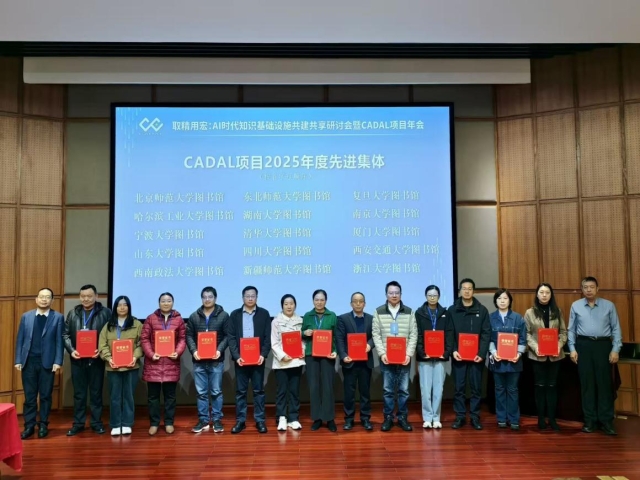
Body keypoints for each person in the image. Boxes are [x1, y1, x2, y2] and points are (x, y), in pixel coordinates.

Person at [568, 276, 622, 436]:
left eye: (592, 287)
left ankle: (606, 421)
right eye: (585, 287)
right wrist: (572, 348)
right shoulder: (576, 306)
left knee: (604, 385)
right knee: (587, 385)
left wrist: (615, 349)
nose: (589, 290)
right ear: (582, 289)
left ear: (597, 289)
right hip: (583, 346)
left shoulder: (609, 306)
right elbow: (571, 329)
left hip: (603, 346)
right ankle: (589, 421)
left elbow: (616, 329)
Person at [14, 288, 64, 439]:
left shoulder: (58, 317)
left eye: (47, 297)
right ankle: (29, 426)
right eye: (41, 297)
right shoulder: (26, 316)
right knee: (29, 397)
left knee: (45, 396)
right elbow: (20, 339)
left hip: (47, 362)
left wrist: (58, 361)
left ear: (52, 300)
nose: (44, 299)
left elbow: (59, 341)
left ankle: (43, 425)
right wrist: (18, 359)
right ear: (36, 299)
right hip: (28, 361)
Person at [63, 284, 111, 436]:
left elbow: (111, 334)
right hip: (78, 361)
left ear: (96, 296)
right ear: (79, 297)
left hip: (96, 360)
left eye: (89, 296)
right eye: (83, 296)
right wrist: (72, 350)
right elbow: (65, 335)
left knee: (96, 394)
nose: (86, 299)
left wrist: (101, 350)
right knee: (79, 394)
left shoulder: (106, 313)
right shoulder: (73, 313)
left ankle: (96, 423)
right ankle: (78, 423)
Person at [372, 280, 418, 432]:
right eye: (391, 293)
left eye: (396, 292)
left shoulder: (409, 311)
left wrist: (409, 354)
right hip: (386, 358)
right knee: (388, 390)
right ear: (386, 294)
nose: (394, 295)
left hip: (404, 358)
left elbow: (413, 334)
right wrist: (382, 353)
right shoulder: (379, 311)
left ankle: (403, 417)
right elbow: (376, 334)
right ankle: (388, 418)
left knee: (404, 390)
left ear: (401, 294)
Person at [227, 286, 271, 434]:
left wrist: (263, 354)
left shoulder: (264, 314)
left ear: (257, 297)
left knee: (259, 391)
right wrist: (236, 356)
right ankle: (241, 421)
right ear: (243, 298)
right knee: (240, 392)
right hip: (241, 360)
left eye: (253, 296)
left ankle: (260, 420)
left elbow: (267, 337)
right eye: (247, 296)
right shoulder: (235, 315)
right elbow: (231, 337)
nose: (250, 298)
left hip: (258, 360)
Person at [141, 292, 186, 435]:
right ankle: (154, 423)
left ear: (173, 302)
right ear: (159, 303)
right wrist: (150, 354)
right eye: (163, 301)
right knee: (153, 397)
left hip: (171, 364)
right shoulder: (150, 318)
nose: (166, 303)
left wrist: (177, 352)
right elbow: (144, 339)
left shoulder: (179, 320)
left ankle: (169, 422)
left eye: (168, 301)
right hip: (153, 364)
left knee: (170, 397)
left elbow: (182, 339)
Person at [448, 278, 491, 430]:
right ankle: (460, 416)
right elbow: (449, 333)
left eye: (469, 288)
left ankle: (474, 417)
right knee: (459, 388)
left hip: (476, 357)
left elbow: (486, 333)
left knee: (476, 388)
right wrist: (453, 350)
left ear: (474, 291)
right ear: (460, 291)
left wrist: (482, 353)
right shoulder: (452, 310)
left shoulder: (482, 310)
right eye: (464, 288)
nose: (467, 291)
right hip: (458, 356)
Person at [524, 282, 567, 431]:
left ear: (551, 295)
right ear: (537, 294)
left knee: (552, 387)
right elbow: (526, 334)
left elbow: (563, 332)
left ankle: (552, 419)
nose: (544, 295)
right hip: (537, 356)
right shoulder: (530, 312)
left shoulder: (557, 311)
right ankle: (541, 419)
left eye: (547, 292)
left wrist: (558, 345)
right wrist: (536, 347)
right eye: (541, 292)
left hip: (555, 356)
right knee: (540, 387)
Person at [186, 286, 229, 434]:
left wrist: (219, 350)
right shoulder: (194, 316)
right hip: (199, 361)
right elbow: (189, 336)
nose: (207, 299)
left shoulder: (223, 315)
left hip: (216, 360)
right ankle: (203, 420)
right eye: (204, 297)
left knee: (216, 391)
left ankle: (217, 420)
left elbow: (227, 336)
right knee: (201, 393)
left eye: (210, 297)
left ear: (215, 298)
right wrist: (194, 351)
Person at [98, 296, 143, 436]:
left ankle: (127, 423)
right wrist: (109, 358)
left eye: (125, 305)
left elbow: (141, 344)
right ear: (115, 307)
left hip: (131, 367)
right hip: (113, 367)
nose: (122, 307)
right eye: (119, 305)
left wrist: (135, 357)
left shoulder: (137, 324)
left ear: (129, 307)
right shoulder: (108, 325)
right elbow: (102, 345)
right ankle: (116, 424)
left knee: (128, 396)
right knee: (115, 396)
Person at [415, 285, 454, 429]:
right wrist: (421, 351)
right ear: (426, 296)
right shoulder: (419, 313)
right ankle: (427, 417)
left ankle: (436, 417)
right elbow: (417, 334)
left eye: (435, 295)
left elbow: (449, 333)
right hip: (424, 357)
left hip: (440, 356)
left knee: (438, 388)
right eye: (430, 295)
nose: (432, 298)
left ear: (439, 296)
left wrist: (446, 352)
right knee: (425, 389)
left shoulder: (445, 313)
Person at [336, 292, 375, 431]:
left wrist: (370, 344)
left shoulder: (371, 319)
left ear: (365, 303)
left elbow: (375, 335)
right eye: (355, 301)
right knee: (349, 393)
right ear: (351, 303)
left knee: (365, 393)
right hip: (349, 362)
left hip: (365, 362)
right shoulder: (343, 319)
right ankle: (349, 419)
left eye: (360, 301)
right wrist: (343, 355)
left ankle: (365, 419)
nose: (358, 304)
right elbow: (339, 338)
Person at [488, 289, 526, 430]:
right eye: (499, 298)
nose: (502, 301)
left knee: (512, 390)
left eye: (505, 298)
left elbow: (523, 339)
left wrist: (519, 354)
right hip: (497, 361)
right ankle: (501, 418)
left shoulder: (518, 318)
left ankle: (514, 419)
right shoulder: (490, 318)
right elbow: (488, 338)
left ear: (510, 300)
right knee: (499, 390)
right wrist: (493, 352)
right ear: (495, 301)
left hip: (514, 362)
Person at [302, 289, 338, 432]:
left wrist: (335, 351)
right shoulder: (307, 315)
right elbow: (301, 334)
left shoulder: (332, 315)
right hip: (311, 355)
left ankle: (329, 419)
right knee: (314, 387)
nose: (319, 302)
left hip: (328, 355)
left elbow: (336, 336)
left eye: (322, 300)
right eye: (316, 300)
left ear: (326, 301)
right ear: (313, 301)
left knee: (328, 387)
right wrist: (304, 332)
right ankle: (317, 418)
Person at [271, 294, 305, 431]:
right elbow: (274, 342)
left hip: (296, 361)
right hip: (281, 362)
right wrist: (283, 356)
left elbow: (303, 340)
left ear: (295, 305)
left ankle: (293, 418)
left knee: (294, 391)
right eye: (286, 304)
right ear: (282, 306)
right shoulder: (276, 321)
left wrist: (303, 350)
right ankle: (282, 417)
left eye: (291, 303)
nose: (289, 306)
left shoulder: (300, 320)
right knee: (282, 391)